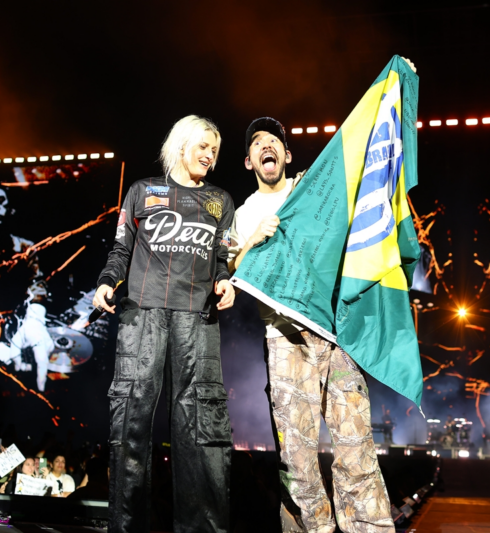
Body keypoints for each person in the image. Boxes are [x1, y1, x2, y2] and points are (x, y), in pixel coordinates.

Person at [228, 117, 396, 532]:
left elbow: (361, 165)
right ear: (249, 161)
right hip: (285, 339)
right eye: (257, 143)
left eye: (274, 142)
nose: (266, 146)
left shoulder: (314, 189)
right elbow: (233, 270)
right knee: (298, 459)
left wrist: (393, 93)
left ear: (286, 155)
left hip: (334, 335)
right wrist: (254, 240)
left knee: (357, 447)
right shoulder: (247, 213)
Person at [93, 115, 236, 533]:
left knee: (200, 432)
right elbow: (121, 250)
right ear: (180, 145)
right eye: (203, 146)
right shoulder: (141, 191)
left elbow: (224, 259)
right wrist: (106, 282)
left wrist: (226, 282)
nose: (210, 154)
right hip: (143, 315)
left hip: (198, 320)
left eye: (215, 149)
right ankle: (127, 527)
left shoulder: (220, 201)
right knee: (130, 423)